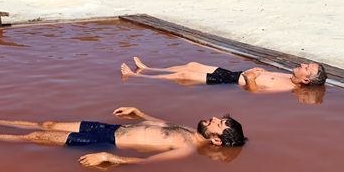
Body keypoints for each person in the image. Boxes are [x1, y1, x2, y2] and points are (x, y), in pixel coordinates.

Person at [0, 103, 246, 168]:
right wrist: (139, 113)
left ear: (216, 141)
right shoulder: (185, 130)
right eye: (220, 118)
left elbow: (144, 163)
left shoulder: (186, 148)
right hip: (111, 129)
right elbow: (162, 123)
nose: (215, 118)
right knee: (48, 123)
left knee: (36, 137)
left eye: (219, 124)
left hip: (106, 142)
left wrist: (110, 158)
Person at [120, 56, 327, 93]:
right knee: (192, 64)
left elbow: (255, 92)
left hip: (229, 81)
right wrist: (257, 72)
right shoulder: (287, 76)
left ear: (306, 80)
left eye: (305, 67)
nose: (301, 64)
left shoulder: (287, 87)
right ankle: (149, 68)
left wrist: (251, 79)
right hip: (233, 73)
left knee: (184, 74)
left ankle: (136, 76)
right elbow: (264, 76)